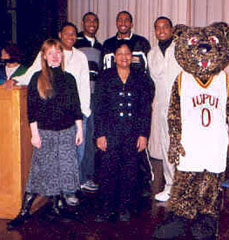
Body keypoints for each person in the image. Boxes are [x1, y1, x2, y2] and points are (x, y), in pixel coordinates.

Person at [3, 22, 91, 205]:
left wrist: (80, 130)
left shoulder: (69, 78)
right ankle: (28, 207)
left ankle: (64, 197)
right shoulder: (37, 77)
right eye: (51, 53)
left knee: (68, 165)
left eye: (58, 53)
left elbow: (75, 105)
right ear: (44, 56)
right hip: (45, 132)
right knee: (42, 170)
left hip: (67, 131)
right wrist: (35, 134)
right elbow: (33, 108)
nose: (55, 56)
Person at [94, 41, 153, 222]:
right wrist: (100, 134)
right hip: (110, 131)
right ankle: (106, 208)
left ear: (132, 56)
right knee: (108, 170)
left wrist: (143, 134)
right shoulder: (105, 76)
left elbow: (145, 108)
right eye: (120, 53)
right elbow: (99, 106)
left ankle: (124, 207)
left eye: (127, 53)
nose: (124, 57)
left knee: (130, 171)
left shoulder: (140, 77)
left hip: (132, 132)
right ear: (114, 57)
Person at [147, 16, 182, 202]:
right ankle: (170, 186)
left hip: (183, 107)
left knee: (185, 147)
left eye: (164, 27)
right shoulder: (151, 54)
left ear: (171, 28)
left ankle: (185, 188)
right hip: (162, 107)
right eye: (157, 28)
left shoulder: (181, 49)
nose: (161, 30)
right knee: (167, 146)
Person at [74, 12, 102, 192]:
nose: (92, 23)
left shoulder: (100, 46)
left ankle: (86, 177)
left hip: (94, 98)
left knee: (91, 138)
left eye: (95, 21)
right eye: (88, 20)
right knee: (78, 139)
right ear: (83, 23)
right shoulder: (74, 43)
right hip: (77, 97)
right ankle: (74, 178)